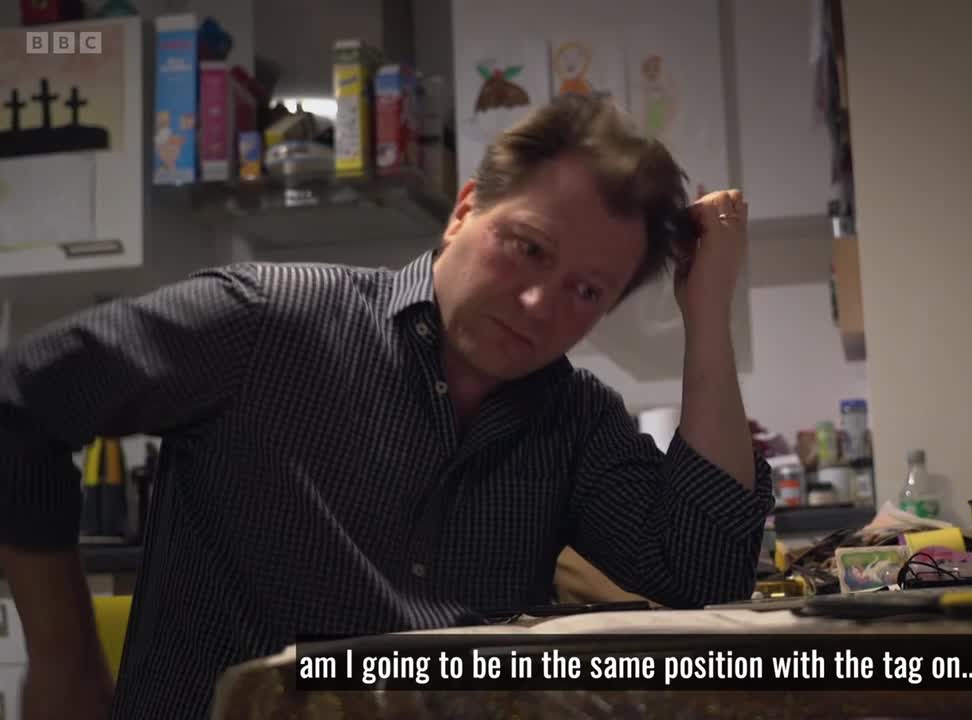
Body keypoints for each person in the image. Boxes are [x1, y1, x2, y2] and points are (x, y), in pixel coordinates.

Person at [0, 94, 774, 720]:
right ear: (463, 211)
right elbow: (21, 398)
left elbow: (701, 573)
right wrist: (64, 662)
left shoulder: (573, 418)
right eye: (528, 247)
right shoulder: (267, 323)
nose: (541, 304)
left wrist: (707, 312)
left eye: (587, 290)